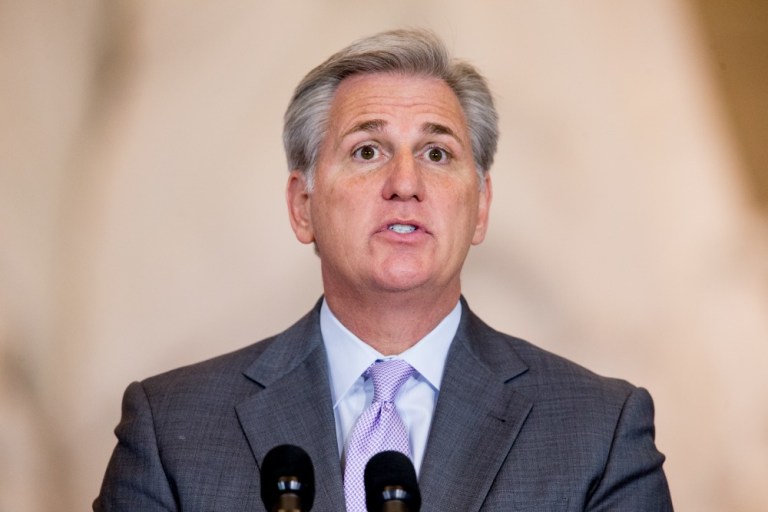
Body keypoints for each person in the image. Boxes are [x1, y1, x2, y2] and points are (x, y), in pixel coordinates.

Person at [94, 29, 672, 511]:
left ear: (481, 208)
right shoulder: (172, 431)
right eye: (367, 151)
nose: (405, 183)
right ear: (303, 206)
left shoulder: (599, 433)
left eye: (436, 153)